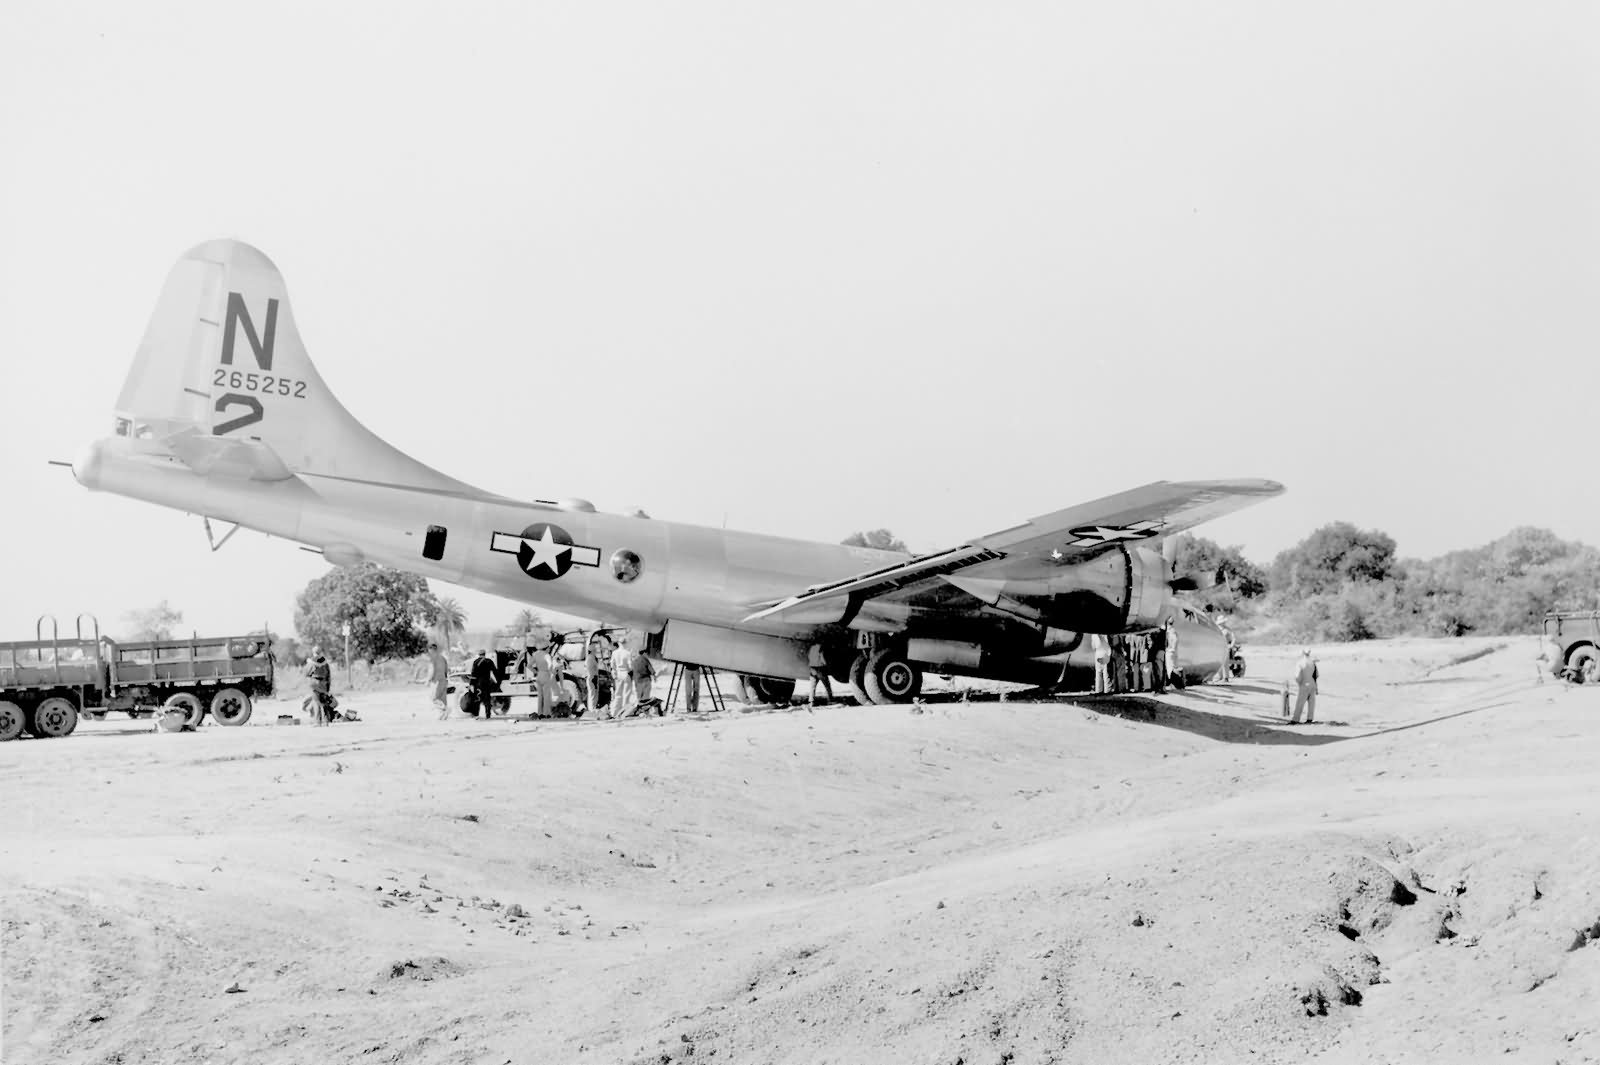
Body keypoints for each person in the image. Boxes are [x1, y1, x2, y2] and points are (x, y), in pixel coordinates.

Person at [303, 648, 333, 726]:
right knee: (324, 702)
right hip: (323, 683)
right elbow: (328, 675)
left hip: (314, 683)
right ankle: (325, 721)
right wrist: (328, 686)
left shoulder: (311, 662)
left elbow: (306, 673)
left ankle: (317, 721)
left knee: (316, 702)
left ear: (313, 652)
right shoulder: (325, 662)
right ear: (320, 652)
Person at [1289, 647, 1319, 724]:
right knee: (1311, 703)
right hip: (1313, 684)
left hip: (1304, 684)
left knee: (1300, 703)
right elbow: (1317, 674)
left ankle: (1295, 719)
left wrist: (1299, 682)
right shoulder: (1312, 662)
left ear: (1302, 653)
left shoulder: (1300, 662)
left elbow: (1297, 676)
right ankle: (1310, 718)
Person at [469, 648, 500, 721]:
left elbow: (473, 674)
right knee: (487, 700)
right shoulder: (489, 661)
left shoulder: (476, 662)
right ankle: (488, 715)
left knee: (477, 699)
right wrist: (497, 682)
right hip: (486, 683)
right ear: (485, 654)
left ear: (479, 654)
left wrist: (471, 684)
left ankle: (476, 715)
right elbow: (495, 671)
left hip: (478, 684)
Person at [610, 637, 635, 718]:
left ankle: (615, 712)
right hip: (626, 673)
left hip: (618, 673)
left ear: (619, 643)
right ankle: (624, 712)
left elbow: (612, 665)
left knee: (618, 694)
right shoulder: (627, 653)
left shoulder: (614, 653)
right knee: (626, 694)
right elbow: (630, 666)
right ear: (625, 643)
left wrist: (614, 673)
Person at [426, 641, 450, 719]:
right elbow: (446, 669)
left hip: (437, 681)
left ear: (432, 649)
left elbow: (432, 670)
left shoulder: (432, 659)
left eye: (429, 649)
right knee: (443, 699)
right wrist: (446, 678)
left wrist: (428, 680)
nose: (428, 651)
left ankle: (445, 709)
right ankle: (443, 716)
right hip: (443, 680)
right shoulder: (443, 658)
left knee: (434, 698)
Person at [628, 647, 657, 713]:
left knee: (639, 697)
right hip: (646, 680)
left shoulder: (634, 661)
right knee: (646, 697)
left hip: (637, 681)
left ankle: (640, 710)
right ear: (644, 653)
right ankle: (645, 711)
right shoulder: (645, 660)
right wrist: (654, 676)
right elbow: (651, 669)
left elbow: (632, 672)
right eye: (646, 653)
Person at [807, 641, 834, 706]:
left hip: (812, 668)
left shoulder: (811, 647)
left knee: (812, 686)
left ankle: (811, 701)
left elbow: (808, 656)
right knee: (827, 685)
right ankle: (830, 699)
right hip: (820, 668)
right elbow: (822, 657)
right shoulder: (820, 647)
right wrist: (825, 664)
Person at [584, 635, 605, 716]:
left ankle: (593, 707)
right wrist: (592, 677)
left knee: (595, 693)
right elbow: (589, 669)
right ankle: (591, 709)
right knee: (592, 693)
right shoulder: (590, 658)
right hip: (592, 677)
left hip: (594, 676)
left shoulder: (592, 657)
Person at [1164, 616, 1182, 691]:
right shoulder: (1174, 630)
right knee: (1173, 667)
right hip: (1174, 651)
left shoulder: (1168, 630)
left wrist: (1170, 649)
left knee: (1170, 668)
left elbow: (1173, 641)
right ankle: (1176, 683)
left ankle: (1173, 684)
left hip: (1169, 651)